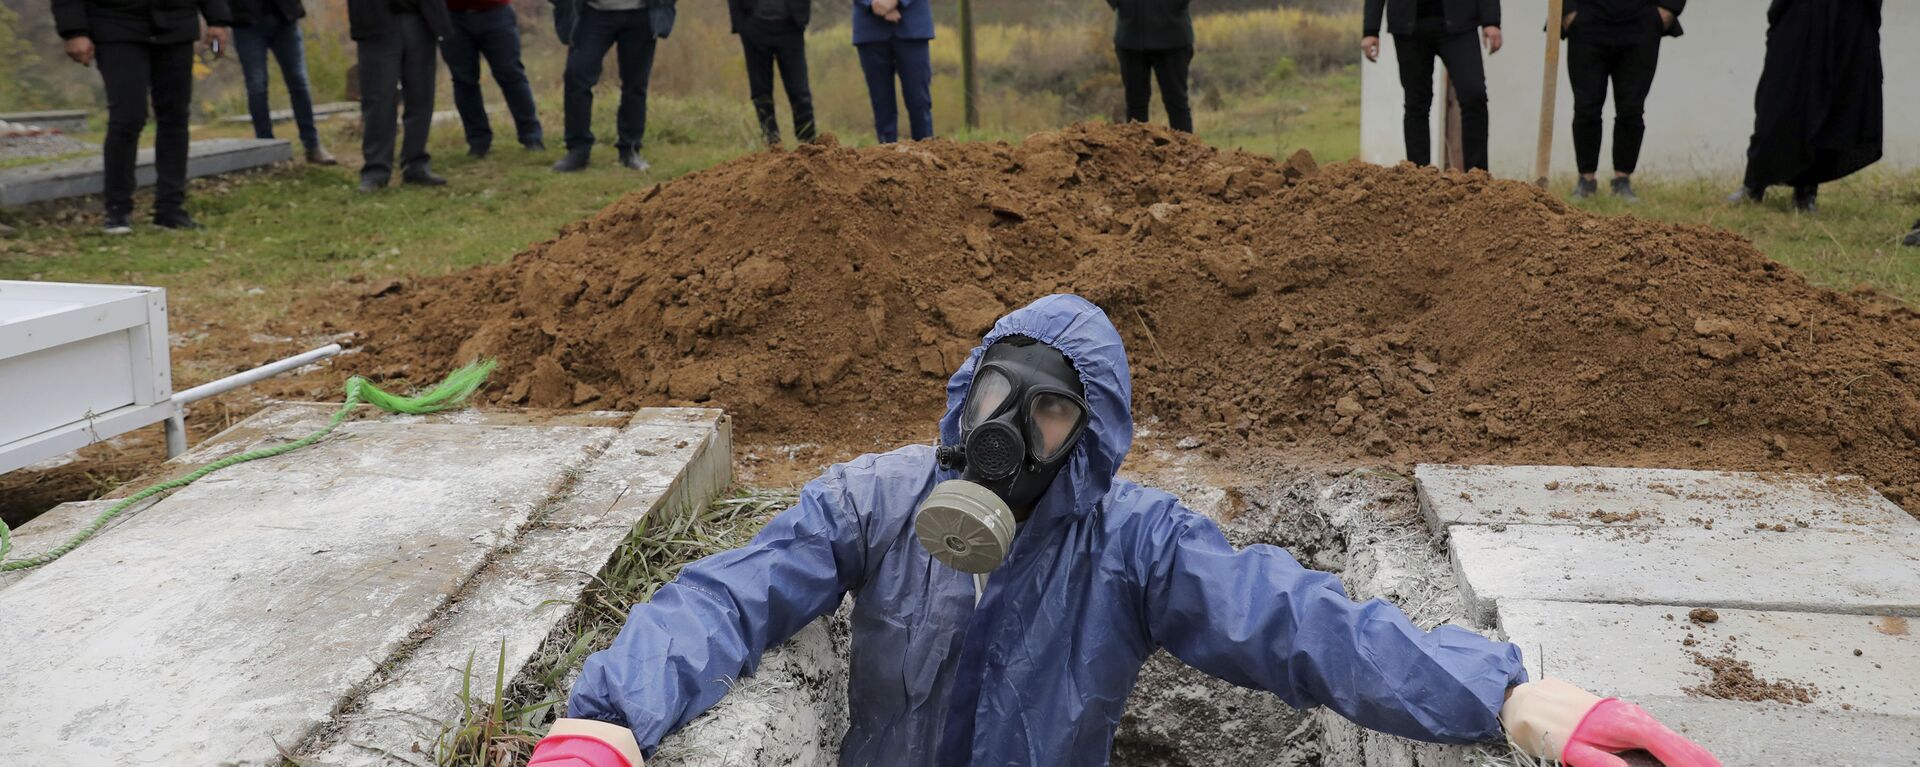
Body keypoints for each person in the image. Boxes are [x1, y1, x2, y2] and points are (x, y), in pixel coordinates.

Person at [519, 294, 1724, 767]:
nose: (1007, 430)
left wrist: (1517, 695)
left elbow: (1309, 626)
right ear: (964, 389)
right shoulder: (876, 501)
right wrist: (605, 718)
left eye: (1046, 410)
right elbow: (727, 593)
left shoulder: (1132, 544)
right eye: (996, 391)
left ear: (1085, 437)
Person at [53, 0, 233, 233]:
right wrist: (74, 31)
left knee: (175, 116)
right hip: (115, 25)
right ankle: (117, 210)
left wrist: (218, 19)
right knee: (128, 117)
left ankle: (170, 209)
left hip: (175, 24)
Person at [1728, 0, 1883, 214]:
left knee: (1830, 106)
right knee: (1777, 100)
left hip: (1848, 14)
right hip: (1801, 11)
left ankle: (1806, 191)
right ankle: (1754, 184)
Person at [1561, 0, 1684, 202]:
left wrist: (1667, 10)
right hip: (1586, 21)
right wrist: (1568, 12)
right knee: (1586, 106)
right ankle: (1586, 180)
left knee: (1631, 108)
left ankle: (1622, 180)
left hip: (1641, 21)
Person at [1361, 0, 1503, 172]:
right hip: (1409, 27)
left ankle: (1477, 176)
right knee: (1416, 103)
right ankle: (1419, 177)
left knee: (1474, 95)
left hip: (1460, 23)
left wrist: (1491, 21)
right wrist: (1370, 29)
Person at [550, 0, 677, 172]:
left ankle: (630, 150)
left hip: (642, 14)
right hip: (591, 14)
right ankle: (578, 150)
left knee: (636, 85)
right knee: (576, 77)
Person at [348, 0, 452, 193]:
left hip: (421, 18)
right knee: (379, 99)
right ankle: (376, 170)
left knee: (421, 95)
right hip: (375, 20)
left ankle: (416, 164)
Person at [230, 0, 338, 167]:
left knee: (299, 82)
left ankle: (312, 145)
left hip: (285, 18)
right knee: (257, 86)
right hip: (246, 23)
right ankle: (266, 148)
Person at [442, 0, 546, 158]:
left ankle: (531, 136)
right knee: (464, 80)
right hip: (452, 17)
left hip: (496, 12)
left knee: (511, 74)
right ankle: (478, 142)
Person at [727, 0, 816, 147]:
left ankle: (808, 144)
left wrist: (803, 18)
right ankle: (772, 143)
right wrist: (740, 25)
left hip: (791, 26)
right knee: (761, 92)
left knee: (800, 92)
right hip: (754, 27)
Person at [1107, 0, 1194, 133]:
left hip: (1173, 37)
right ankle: (1137, 152)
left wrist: (1173, 5)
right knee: (1135, 104)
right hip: (1131, 38)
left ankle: (1186, 152)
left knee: (1177, 103)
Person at [853, 0, 933, 144]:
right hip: (870, 29)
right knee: (881, 104)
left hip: (913, 26)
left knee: (918, 101)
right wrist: (872, 4)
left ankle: (927, 154)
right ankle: (886, 159)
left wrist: (893, 1)